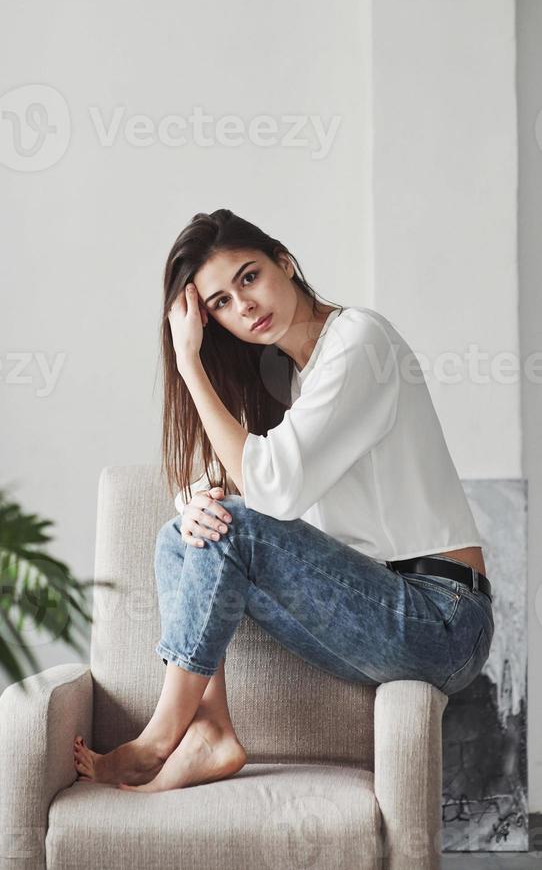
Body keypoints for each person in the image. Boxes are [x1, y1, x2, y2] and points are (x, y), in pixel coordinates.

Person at [73, 207, 494, 793]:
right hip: (371, 610)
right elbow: (255, 488)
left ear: (285, 263)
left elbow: (271, 488)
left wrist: (189, 364)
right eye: (219, 302)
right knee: (181, 537)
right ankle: (211, 728)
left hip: (441, 618)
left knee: (233, 526)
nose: (243, 306)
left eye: (248, 277)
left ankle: (160, 734)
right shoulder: (291, 380)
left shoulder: (359, 341)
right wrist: (195, 503)